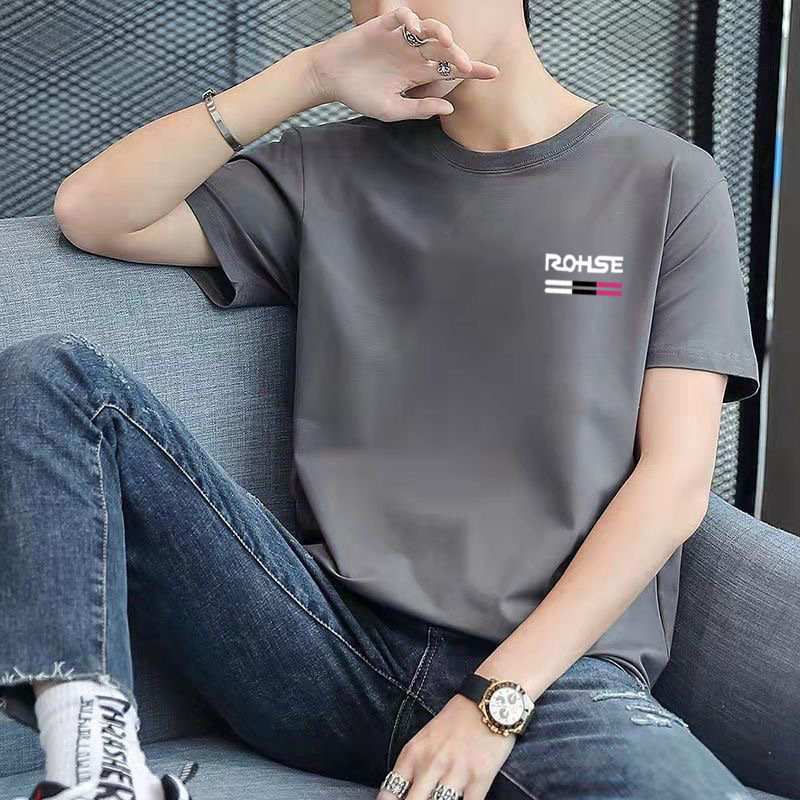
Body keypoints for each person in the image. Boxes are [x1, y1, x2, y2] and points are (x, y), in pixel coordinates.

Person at [0, 1, 770, 798]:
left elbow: (675, 482)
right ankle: (95, 773)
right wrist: (310, 75)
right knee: (56, 381)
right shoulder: (326, 172)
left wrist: (494, 702)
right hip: (322, 644)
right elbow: (94, 213)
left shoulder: (666, 182)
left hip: (552, 681)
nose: (396, 7)